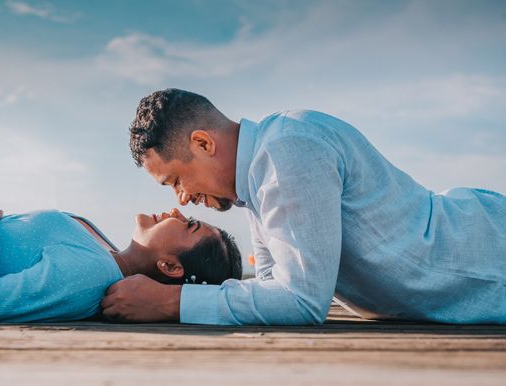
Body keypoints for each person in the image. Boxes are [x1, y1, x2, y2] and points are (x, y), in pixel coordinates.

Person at [101, 88, 506, 325]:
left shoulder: (287, 153)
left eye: (175, 180)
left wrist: (168, 302)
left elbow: (302, 301)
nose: (182, 199)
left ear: (203, 144)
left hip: (487, 254)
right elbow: (274, 284)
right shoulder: (257, 182)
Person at [0, 202, 242, 322]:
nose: (176, 209)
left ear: (171, 268)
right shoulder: (102, 251)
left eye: (190, 224)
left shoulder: (87, 276)